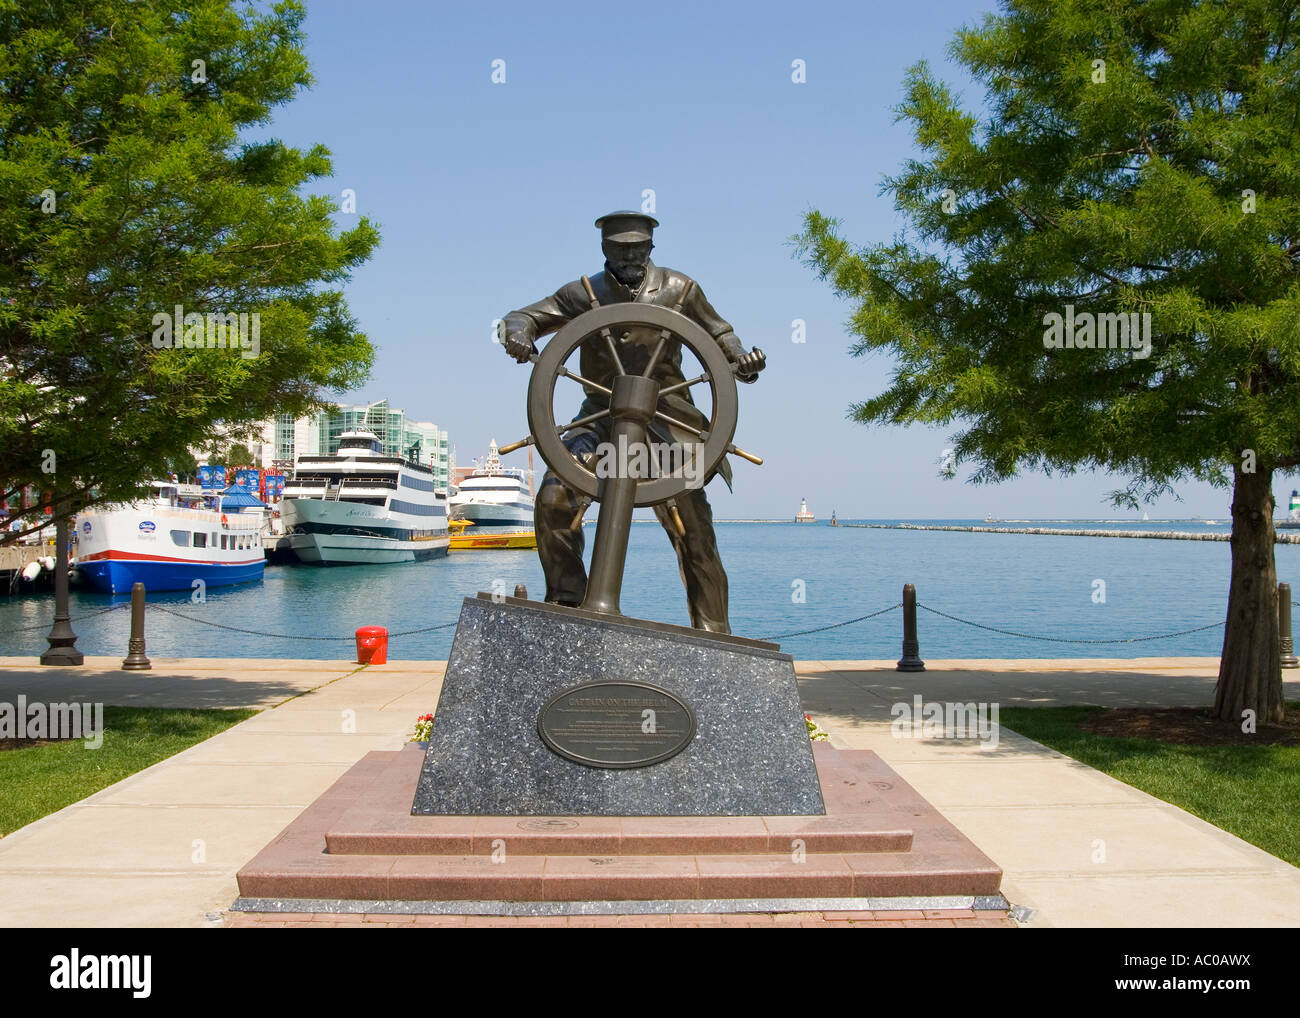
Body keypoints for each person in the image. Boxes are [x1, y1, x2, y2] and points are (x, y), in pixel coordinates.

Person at [500, 212, 765, 633]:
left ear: (651, 249)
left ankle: (714, 633)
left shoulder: (680, 289)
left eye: (638, 249)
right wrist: (518, 334)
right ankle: (568, 606)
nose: (630, 256)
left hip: (669, 422)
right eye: (621, 249)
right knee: (553, 498)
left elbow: (721, 337)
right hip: (601, 419)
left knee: (692, 526)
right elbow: (523, 316)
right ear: (605, 249)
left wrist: (743, 361)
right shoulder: (584, 293)